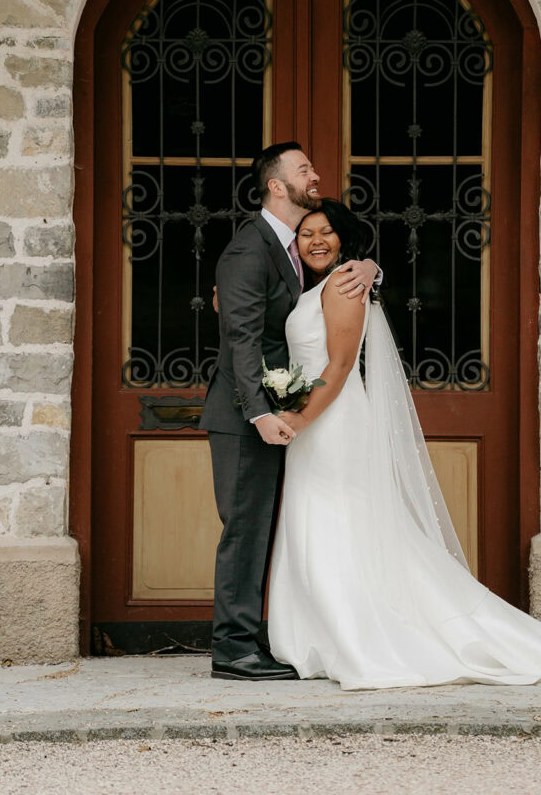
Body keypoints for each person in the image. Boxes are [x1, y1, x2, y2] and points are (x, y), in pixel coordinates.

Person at [267, 198, 541, 691]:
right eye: (306, 234)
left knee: (337, 520)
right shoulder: (319, 286)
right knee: (321, 520)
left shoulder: (345, 283)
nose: (317, 241)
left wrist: (299, 418)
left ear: (344, 238)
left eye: (327, 232)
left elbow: (342, 366)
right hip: (317, 421)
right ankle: (321, 634)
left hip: (332, 422)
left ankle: (354, 636)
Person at [200, 143, 380, 681]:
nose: (315, 173)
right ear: (277, 186)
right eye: (304, 169)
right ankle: (232, 649)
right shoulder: (247, 251)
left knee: (271, 529)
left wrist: (371, 267)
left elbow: (331, 288)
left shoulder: (295, 246)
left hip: (283, 417)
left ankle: (262, 635)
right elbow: (241, 340)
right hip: (244, 416)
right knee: (246, 528)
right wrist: (259, 414)